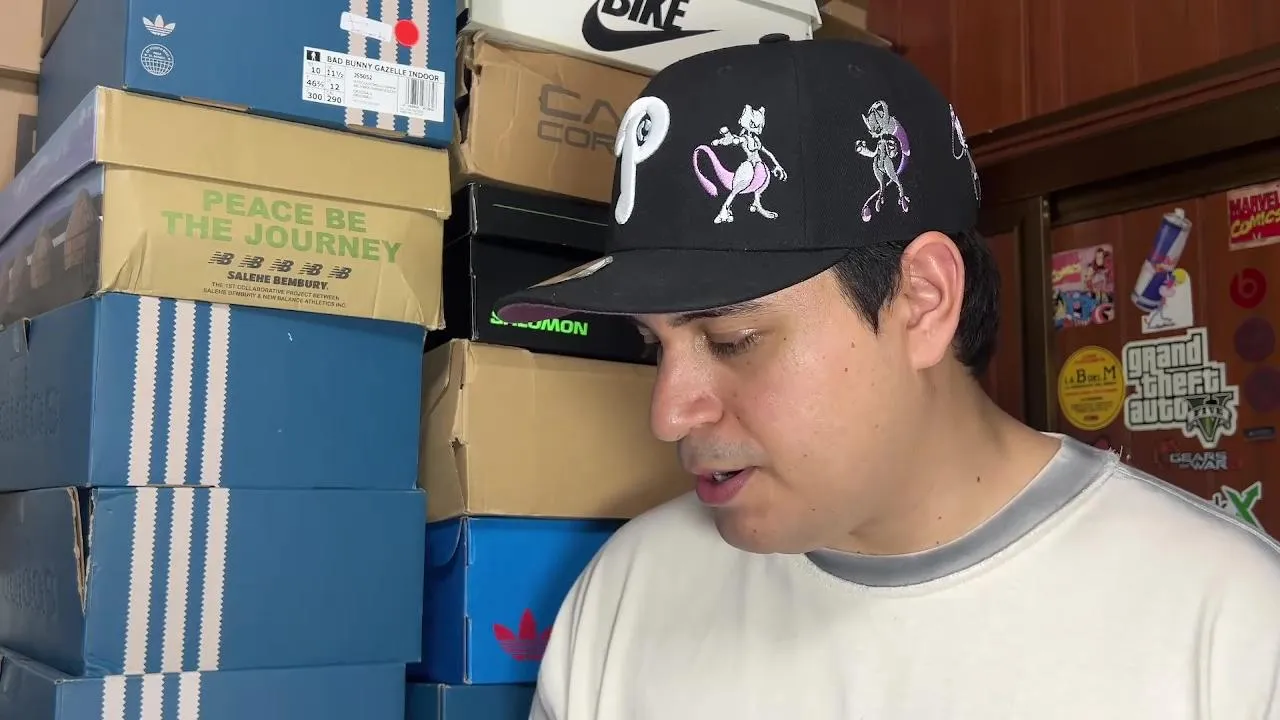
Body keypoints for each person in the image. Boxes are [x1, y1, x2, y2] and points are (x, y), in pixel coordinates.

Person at [493, 36, 1280, 719]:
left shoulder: (1230, 627)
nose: (668, 415)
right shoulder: (627, 596)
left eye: (732, 341)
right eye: (652, 346)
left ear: (924, 301)